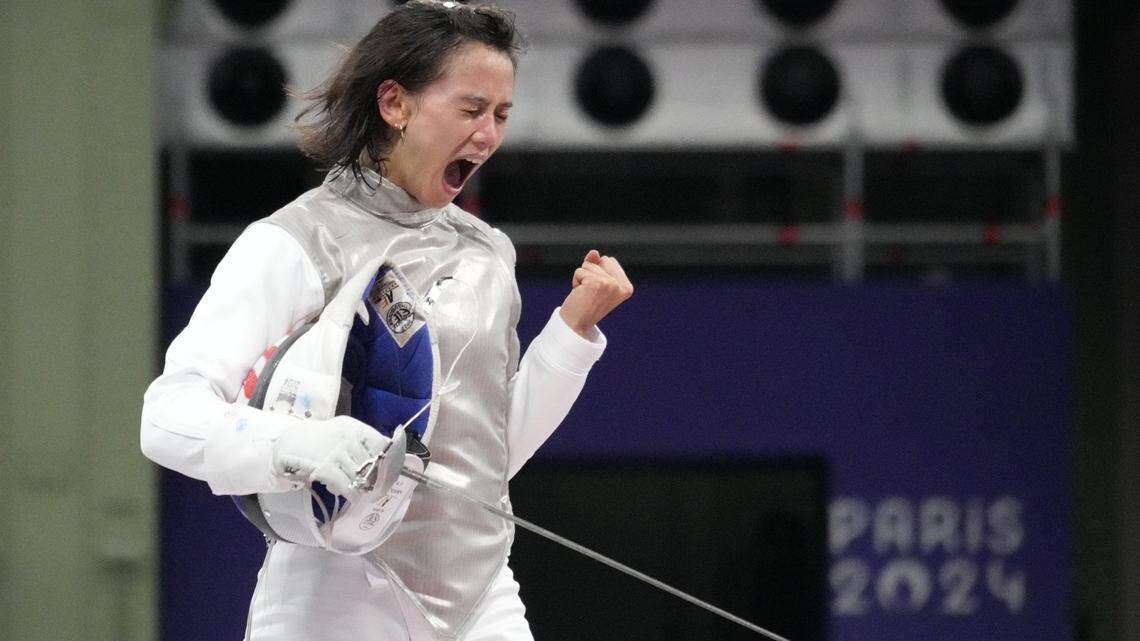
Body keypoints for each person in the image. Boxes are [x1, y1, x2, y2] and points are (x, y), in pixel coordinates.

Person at [139, 2, 633, 640]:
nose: (487, 135)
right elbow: (166, 416)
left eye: (502, 114)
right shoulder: (295, 242)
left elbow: (491, 455)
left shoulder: (489, 254)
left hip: (482, 593)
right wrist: (297, 445)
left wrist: (571, 332)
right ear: (395, 104)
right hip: (335, 596)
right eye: (470, 109)